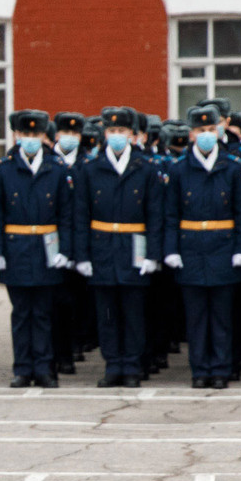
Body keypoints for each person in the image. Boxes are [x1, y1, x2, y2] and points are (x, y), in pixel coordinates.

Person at [74, 105, 165, 388]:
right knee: (107, 314)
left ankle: (132, 366)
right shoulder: (91, 169)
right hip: (102, 248)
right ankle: (113, 365)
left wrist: (153, 254)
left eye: (121, 130)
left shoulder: (146, 168)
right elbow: (80, 215)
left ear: (132, 134)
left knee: (134, 313)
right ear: (105, 133)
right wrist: (82, 255)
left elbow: (155, 215)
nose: (116, 135)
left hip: (134, 247)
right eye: (111, 130)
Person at [0, 109, 71, 388]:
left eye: (36, 134)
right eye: (26, 134)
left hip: (48, 249)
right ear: (16, 135)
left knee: (44, 314)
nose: (31, 138)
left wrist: (65, 250)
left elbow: (66, 213)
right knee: (21, 313)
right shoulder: (4, 168)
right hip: (16, 249)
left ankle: (44, 368)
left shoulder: (57, 168)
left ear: (44, 136)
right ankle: (23, 368)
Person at [165, 106, 241, 389]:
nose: (206, 135)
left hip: (223, 248)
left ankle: (221, 369)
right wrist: (171, 250)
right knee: (196, 318)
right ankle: (200, 371)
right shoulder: (179, 169)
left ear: (219, 131)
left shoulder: (233, 167)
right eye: (201, 130)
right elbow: (170, 214)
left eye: (211, 129)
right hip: (191, 250)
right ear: (191, 134)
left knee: (222, 317)